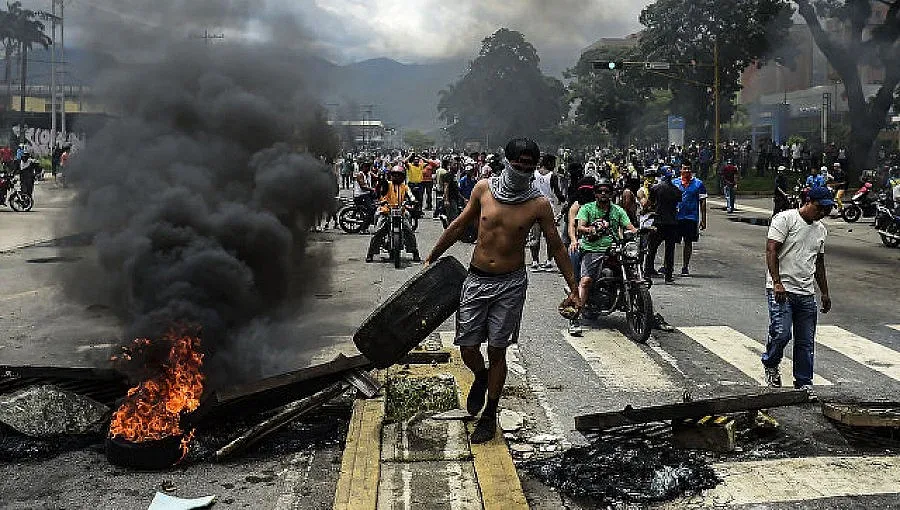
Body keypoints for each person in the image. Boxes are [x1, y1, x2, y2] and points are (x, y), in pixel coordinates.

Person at [424, 138, 580, 444]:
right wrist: (434, 254)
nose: (523, 168)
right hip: (476, 278)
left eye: (529, 164)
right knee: (468, 348)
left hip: (510, 284)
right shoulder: (483, 189)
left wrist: (574, 287)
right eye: (518, 161)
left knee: (498, 350)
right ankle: (480, 377)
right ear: (506, 160)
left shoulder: (538, 204)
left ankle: (489, 415)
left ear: (536, 167)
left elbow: (557, 246)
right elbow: (458, 225)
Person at [763, 186, 833, 392]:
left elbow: (819, 262)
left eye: (826, 210)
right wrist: (777, 281)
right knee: (782, 333)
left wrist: (825, 292)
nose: (822, 214)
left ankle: (803, 382)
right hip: (781, 289)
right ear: (808, 201)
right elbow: (771, 250)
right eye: (820, 208)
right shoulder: (785, 220)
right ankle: (771, 363)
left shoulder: (821, 230)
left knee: (805, 341)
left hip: (806, 293)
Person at [570, 177, 638, 335]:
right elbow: (580, 227)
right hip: (592, 249)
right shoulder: (587, 209)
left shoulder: (618, 210)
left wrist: (639, 232)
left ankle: (645, 310)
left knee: (633, 274)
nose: (603, 194)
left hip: (615, 249)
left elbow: (629, 226)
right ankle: (575, 318)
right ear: (595, 194)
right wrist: (591, 230)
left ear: (611, 194)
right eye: (600, 191)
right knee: (586, 281)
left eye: (606, 191)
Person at [367, 166, 420, 263]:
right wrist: (382, 200)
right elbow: (381, 192)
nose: (396, 177)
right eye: (394, 175)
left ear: (403, 177)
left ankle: (414, 252)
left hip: (400, 212)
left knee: (409, 231)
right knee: (378, 231)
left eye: (399, 175)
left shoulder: (405, 187)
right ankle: (370, 253)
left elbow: (411, 195)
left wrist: (413, 200)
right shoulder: (387, 184)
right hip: (386, 211)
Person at [529, 154, 566, 271]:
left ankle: (535, 261)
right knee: (550, 236)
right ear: (549, 163)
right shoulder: (552, 176)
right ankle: (549, 261)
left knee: (535, 236)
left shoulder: (533, 174)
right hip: (548, 208)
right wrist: (565, 201)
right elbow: (558, 193)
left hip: (534, 207)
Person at [645, 171, 681, 283]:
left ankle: (647, 272)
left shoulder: (656, 188)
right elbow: (678, 202)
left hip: (659, 221)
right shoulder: (677, 190)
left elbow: (650, 202)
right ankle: (668, 275)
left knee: (652, 248)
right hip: (672, 222)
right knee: (670, 250)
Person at [673, 162, 707, 276]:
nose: (687, 171)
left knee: (688, 242)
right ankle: (668, 266)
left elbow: (703, 202)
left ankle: (685, 267)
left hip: (691, 217)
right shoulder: (675, 183)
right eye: (684, 169)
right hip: (677, 217)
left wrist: (703, 219)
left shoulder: (698, 184)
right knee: (672, 242)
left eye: (688, 169)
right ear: (680, 170)